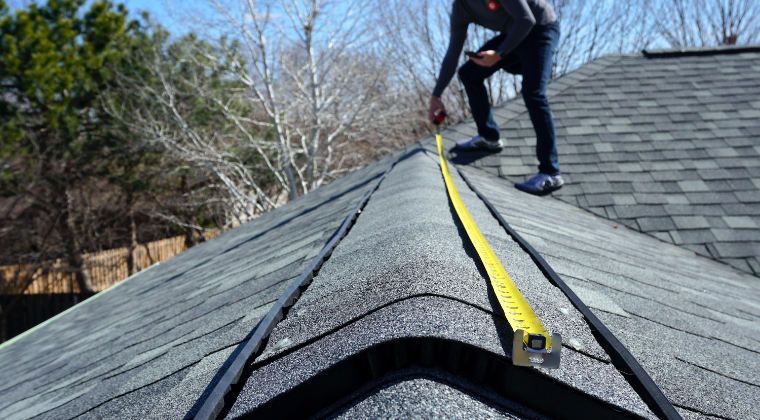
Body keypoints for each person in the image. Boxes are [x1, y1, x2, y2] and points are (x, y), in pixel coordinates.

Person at [428, 0, 563, 195]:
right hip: (514, 34)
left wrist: (500, 53)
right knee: (469, 73)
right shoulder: (460, 8)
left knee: (533, 94)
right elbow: (452, 54)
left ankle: (551, 173)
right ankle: (489, 137)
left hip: (541, 28)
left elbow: (526, 19)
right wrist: (435, 96)